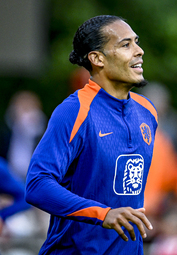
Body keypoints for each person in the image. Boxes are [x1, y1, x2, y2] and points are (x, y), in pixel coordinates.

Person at [25, 15, 157, 254]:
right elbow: (37, 185)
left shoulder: (148, 112)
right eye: (125, 45)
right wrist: (103, 214)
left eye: (136, 42)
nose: (139, 51)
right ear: (97, 59)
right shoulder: (74, 111)